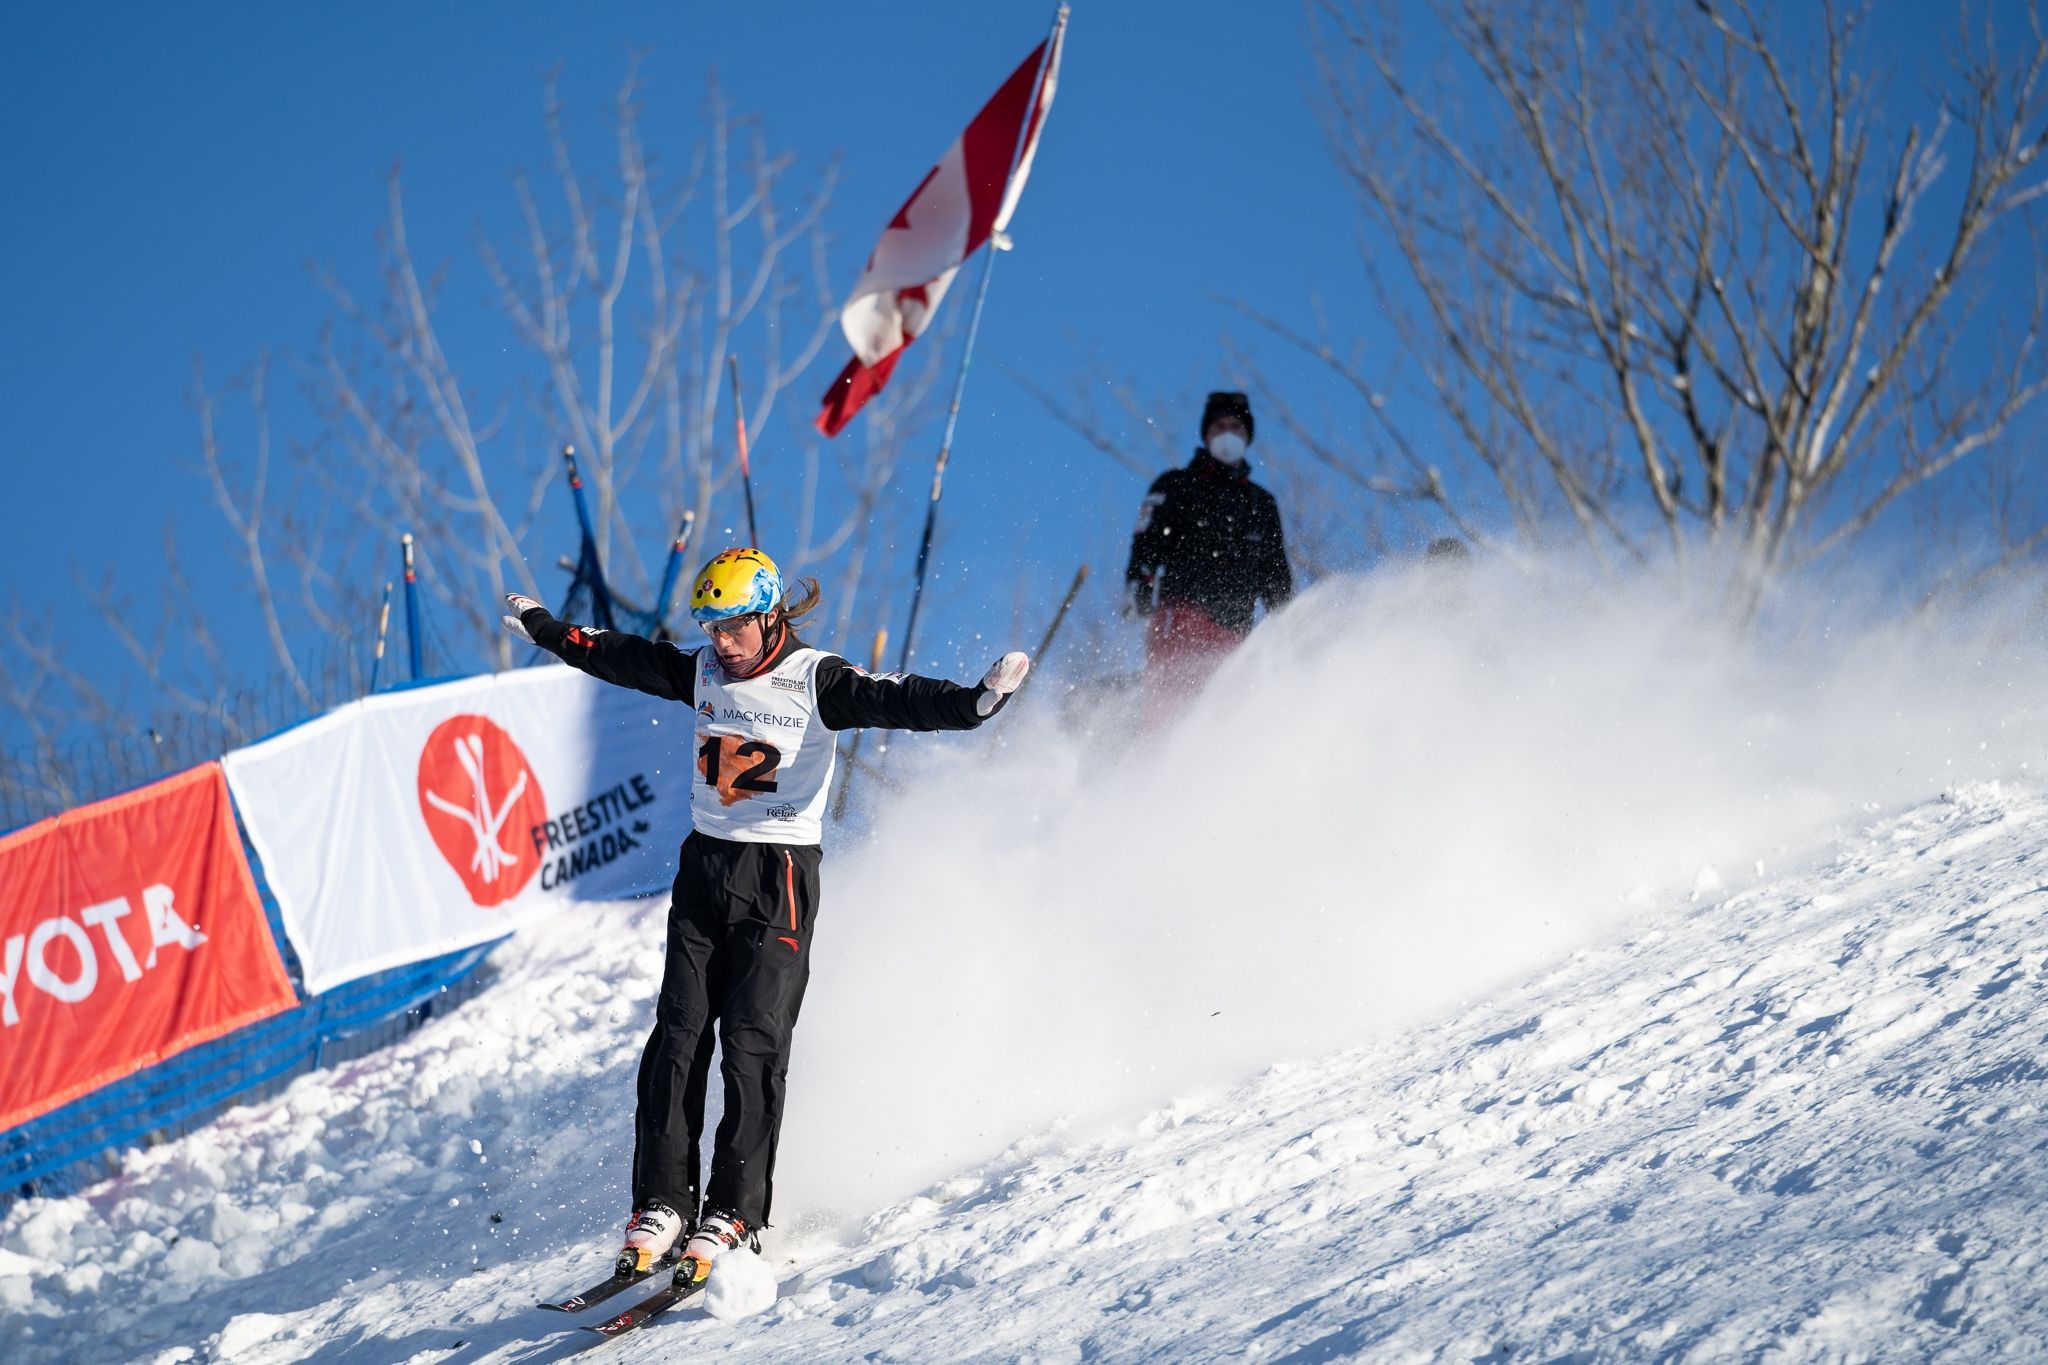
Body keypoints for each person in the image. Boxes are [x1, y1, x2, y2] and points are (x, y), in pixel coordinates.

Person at [500, 547, 1030, 1280]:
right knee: (678, 1034)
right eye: (711, 626)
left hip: (777, 875)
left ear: (771, 613)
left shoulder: (818, 679)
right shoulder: (703, 671)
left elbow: (898, 697)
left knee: (752, 1043)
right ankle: (662, 1202)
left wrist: (974, 704)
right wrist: (551, 631)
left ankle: (734, 1211)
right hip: (705, 868)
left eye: (735, 626)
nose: (721, 641)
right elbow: (623, 656)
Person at [1124, 391, 1293, 710]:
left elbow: (1275, 573)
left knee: (1225, 719)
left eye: (1237, 428)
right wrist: (1139, 581)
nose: (1228, 435)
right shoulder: (1177, 485)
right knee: (1174, 710)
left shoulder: (1261, 504)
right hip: (1183, 617)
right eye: (1220, 427)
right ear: (1206, 434)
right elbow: (1145, 543)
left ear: (1247, 437)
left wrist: (1286, 622)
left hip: (1237, 637)